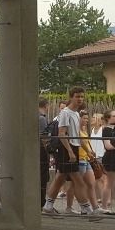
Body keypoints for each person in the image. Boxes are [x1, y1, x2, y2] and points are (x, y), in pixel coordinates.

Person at [43, 87, 97, 215]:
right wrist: (70, 151)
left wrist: (87, 150)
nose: (80, 99)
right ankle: (86, 208)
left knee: (60, 178)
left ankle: (48, 205)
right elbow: (62, 133)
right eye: (77, 96)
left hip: (73, 147)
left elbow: (77, 134)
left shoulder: (76, 114)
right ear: (71, 97)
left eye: (82, 97)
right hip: (65, 148)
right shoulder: (65, 113)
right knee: (78, 180)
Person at [37, 98, 51, 207]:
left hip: (36, 150)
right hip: (41, 150)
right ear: (46, 106)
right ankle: (42, 201)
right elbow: (44, 136)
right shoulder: (41, 119)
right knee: (43, 177)